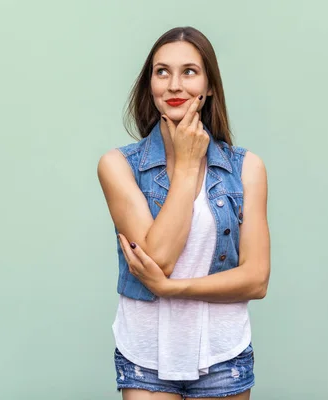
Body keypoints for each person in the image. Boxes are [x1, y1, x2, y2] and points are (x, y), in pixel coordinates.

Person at [97, 26, 270, 400]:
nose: (174, 85)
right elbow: (159, 258)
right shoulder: (118, 166)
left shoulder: (247, 168)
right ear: (150, 85)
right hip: (144, 357)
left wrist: (170, 290)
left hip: (223, 356)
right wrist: (189, 167)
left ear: (209, 85)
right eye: (162, 72)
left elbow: (256, 280)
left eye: (189, 72)